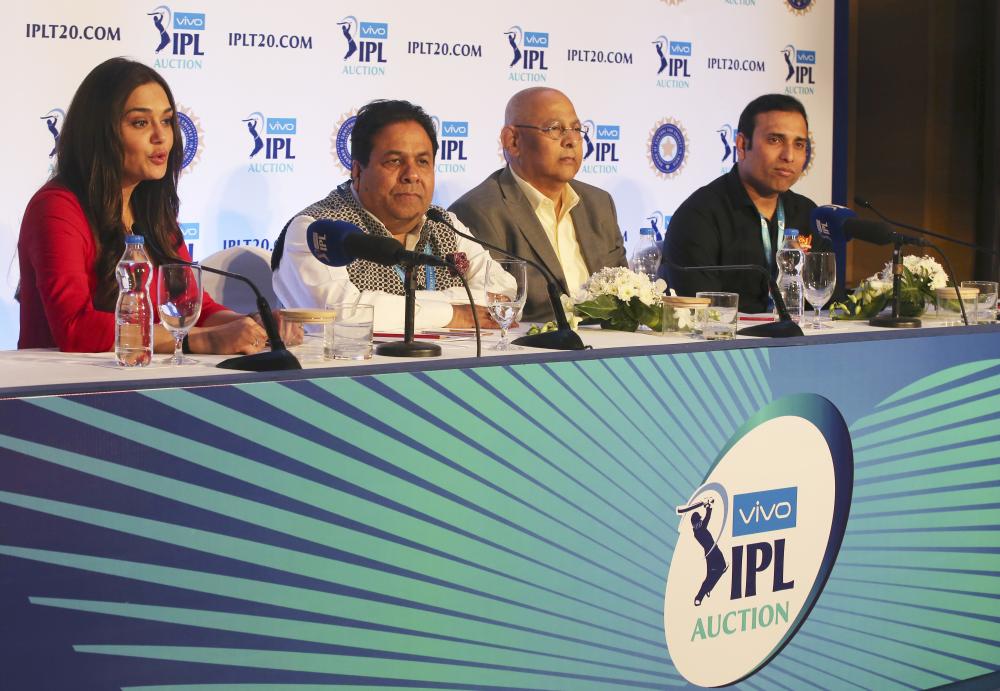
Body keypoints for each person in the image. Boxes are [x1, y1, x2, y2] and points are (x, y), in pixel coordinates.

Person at [18, 57, 300, 354]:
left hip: (142, 381)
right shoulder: (56, 209)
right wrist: (198, 340)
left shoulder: (152, 212)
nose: (161, 136)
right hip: (61, 390)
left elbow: (194, 307)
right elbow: (75, 329)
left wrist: (254, 325)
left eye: (166, 121)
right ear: (101, 132)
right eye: (140, 123)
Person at [271, 99, 513, 331]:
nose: (412, 174)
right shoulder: (317, 231)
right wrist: (454, 313)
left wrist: (395, 305)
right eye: (394, 161)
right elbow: (341, 315)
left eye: (423, 161)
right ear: (357, 170)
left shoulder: (443, 223)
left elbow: (505, 295)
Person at [449, 87, 628, 323]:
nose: (571, 140)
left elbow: (625, 301)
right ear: (512, 141)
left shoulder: (599, 203)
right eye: (554, 129)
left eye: (576, 129)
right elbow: (497, 311)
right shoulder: (478, 212)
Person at [661, 93, 831, 313]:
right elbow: (700, 310)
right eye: (775, 140)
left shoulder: (808, 213)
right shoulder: (698, 216)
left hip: (801, 343)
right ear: (742, 145)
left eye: (799, 144)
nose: (789, 155)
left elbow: (826, 302)